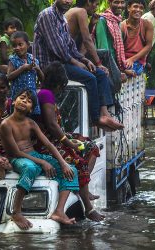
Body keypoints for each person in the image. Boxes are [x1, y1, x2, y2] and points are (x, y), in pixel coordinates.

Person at [33, 0, 123, 131]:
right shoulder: (47, 15)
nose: (68, 1)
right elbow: (57, 48)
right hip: (51, 65)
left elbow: (70, 45)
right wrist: (77, 62)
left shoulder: (62, 17)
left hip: (64, 61)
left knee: (100, 74)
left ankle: (105, 114)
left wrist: (85, 60)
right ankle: (96, 118)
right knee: (90, 78)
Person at [0, 89, 79, 230]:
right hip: (18, 158)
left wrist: (63, 163)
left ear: (31, 108)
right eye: (22, 98)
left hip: (34, 155)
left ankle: (59, 211)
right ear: (14, 101)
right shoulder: (6, 124)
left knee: (71, 170)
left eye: (29, 101)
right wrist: (42, 162)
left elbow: (49, 144)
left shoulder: (30, 123)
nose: (24, 101)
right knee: (30, 168)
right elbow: (16, 152)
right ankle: (16, 212)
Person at [35, 62, 104, 221]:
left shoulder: (44, 93)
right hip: (47, 143)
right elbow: (52, 125)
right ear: (58, 83)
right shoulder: (46, 95)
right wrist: (68, 142)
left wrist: (69, 138)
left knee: (90, 146)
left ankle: (82, 187)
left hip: (54, 137)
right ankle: (88, 206)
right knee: (78, 160)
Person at [65, 0, 110, 74]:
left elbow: (82, 37)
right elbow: (87, 40)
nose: (96, 8)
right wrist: (99, 64)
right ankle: (116, 81)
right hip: (69, 54)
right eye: (96, 4)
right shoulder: (81, 11)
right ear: (89, 2)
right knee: (105, 54)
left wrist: (91, 25)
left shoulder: (74, 10)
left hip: (72, 52)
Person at [93, 0, 136, 78]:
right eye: (116, 2)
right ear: (110, 3)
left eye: (122, 2)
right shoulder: (102, 20)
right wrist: (117, 73)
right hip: (106, 66)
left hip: (114, 64)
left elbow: (117, 50)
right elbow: (104, 51)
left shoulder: (117, 20)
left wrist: (122, 70)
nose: (119, 5)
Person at [7, 31, 44, 116]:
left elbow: (42, 79)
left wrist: (38, 70)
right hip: (18, 99)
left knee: (31, 120)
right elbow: (8, 77)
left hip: (32, 100)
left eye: (20, 44)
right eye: (14, 46)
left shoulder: (33, 59)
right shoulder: (13, 60)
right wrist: (22, 68)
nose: (17, 48)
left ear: (28, 45)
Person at [120, 0, 154, 75]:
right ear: (128, 8)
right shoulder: (122, 26)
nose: (138, 10)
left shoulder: (147, 25)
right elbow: (118, 49)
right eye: (135, 6)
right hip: (124, 60)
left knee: (135, 69)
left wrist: (132, 59)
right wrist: (122, 67)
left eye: (141, 8)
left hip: (138, 60)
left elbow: (149, 46)